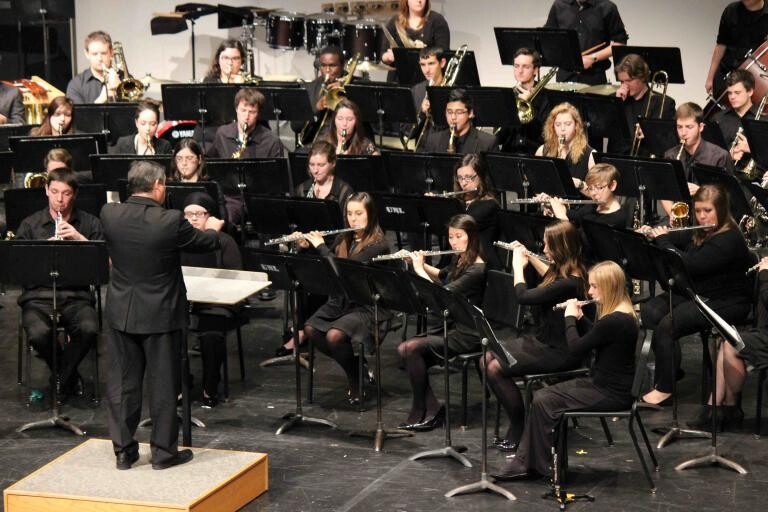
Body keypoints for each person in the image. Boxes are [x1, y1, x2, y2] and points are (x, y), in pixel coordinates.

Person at [100, 160, 224, 470]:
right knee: (163, 384)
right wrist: (214, 228)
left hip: (121, 311)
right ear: (158, 186)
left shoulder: (109, 213)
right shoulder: (170, 221)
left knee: (122, 384)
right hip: (160, 314)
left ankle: (124, 452)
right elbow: (203, 243)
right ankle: (163, 454)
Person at [491, 261, 638, 481]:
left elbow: (577, 347)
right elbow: (600, 339)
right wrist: (581, 319)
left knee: (544, 400)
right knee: (543, 397)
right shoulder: (622, 312)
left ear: (608, 287)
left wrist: (568, 318)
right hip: (606, 384)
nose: (589, 292)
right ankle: (532, 461)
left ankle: (531, 464)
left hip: (609, 392)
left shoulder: (615, 320)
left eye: (595, 287)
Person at [640, 184, 753, 405]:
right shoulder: (704, 231)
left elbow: (691, 265)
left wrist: (663, 241)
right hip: (701, 293)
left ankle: (665, 388)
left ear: (720, 210)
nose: (701, 216)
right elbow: (682, 240)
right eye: (698, 211)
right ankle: (671, 367)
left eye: (707, 211)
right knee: (651, 311)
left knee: (668, 325)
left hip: (727, 301)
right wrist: (655, 234)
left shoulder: (728, 239)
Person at [481, 221, 587, 452]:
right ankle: (525, 420)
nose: (544, 249)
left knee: (494, 368)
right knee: (486, 358)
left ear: (561, 248)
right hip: (543, 340)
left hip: (561, 351)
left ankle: (520, 426)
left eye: (548, 246)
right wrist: (529, 255)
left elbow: (524, 296)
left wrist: (519, 265)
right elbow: (550, 276)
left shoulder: (572, 282)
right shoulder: (565, 271)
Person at [16, 168, 103, 402]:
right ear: (46, 190)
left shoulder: (89, 223)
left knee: (89, 329)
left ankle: (60, 378)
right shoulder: (30, 225)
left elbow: (103, 266)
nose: (59, 199)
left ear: (74, 194)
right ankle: (68, 376)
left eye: (65, 193)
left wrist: (78, 238)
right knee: (38, 333)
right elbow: (18, 270)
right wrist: (44, 251)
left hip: (76, 296)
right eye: (54, 192)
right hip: (38, 297)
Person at [397, 214, 486, 430]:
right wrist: (420, 263)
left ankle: (423, 409)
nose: (453, 242)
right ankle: (430, 407)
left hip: (469, 332)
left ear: (471, 237)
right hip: (451, 325)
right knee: (407, 351)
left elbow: (441, 295)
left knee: (409, 349)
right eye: (451, 237)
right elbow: (443, 276)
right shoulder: (460, 258)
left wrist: (418, 270)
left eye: (458, 237)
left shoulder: (477, 268)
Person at [301, 192, 390, 404]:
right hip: (341, 302)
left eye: (359, 213)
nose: (353, 219)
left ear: (371, 215)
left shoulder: (378, 245)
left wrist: (320, 246)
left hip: (367, 305)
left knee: (334, 336)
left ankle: (353, 378)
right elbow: (326, 266)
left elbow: (346, 271)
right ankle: (356, 367)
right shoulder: (344, 238)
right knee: (311, 329)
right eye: (349, 213)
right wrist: (307, 248)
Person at [687, 255, 768, 431]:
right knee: (727, 340)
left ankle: (728, 409)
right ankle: (718, 407)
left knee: (732, 345)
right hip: (764, 333)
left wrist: (764, 274)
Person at [180, 192, 242, 408]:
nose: (193, 218)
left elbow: (235, 279)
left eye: (199, 213)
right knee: (167, 332)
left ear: (210, 216)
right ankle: (181, 385)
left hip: (217, 303)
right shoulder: (181, 241)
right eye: (188, 214)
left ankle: (210, 387)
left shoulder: (225, 241)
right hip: (185, 302)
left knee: (212, 334)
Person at [660, 103, 734, 221]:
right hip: (678, 216)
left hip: (709, 219)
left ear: (701, 127)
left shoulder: (720, 156)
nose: (683, 133)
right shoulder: (671, 155)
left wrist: (700, 190)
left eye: (689, 127)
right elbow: (664, 191)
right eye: (679, 127)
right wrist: (673, 214)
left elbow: (729, 196)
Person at [544, 0, 628, 85]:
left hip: (594, 77)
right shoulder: (559, 5)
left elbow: (620, 43)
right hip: (565, 76)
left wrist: (593, 58)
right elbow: (548, 38)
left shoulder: (607, 7)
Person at [613, 53, 677, 155]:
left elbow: (671, 142)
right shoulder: (617, 99)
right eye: (621, 81)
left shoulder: (665, 103)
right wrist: (617, 104)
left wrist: (650, 133)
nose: (624, 85)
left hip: (648, 161)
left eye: (629, 80)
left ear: (642, 77)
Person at [447, 153, 501, 269]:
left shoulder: (489, 205)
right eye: (460, 178)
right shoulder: (459, 202)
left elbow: (463, 223)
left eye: (468, 177)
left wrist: (443, 207)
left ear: (480, 176)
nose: (464, 183)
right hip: (461, 260)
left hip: (481, 264)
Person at [705, 0, 768, 95]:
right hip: (725, 73)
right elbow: (721, 45)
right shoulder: (731, 10)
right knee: (720, 109)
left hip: (754, 79)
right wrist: (710, 78)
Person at [379, 0, 450, 81]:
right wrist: (388, 57)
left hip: (426, 80)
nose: (419, 1)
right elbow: (383, 54)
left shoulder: (437, 21)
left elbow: (444, 53)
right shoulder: (394, 21)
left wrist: (425, 51)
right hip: (398, 79)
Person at [545, 163, 628, 229]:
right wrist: (554, 207)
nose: (593, 193)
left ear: (612, 185)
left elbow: (581, 243)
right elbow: (576, 217)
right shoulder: (594, 206)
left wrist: (562, 217)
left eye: (599, 187)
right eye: (590, 188)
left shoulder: (617, 219)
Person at [207, 88, 284, 159]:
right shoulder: (222, 134)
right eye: (243, 110)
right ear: (236, 109)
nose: (246, 116)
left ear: (258, 114)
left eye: (252, 112)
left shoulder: (272, 141)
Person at [536, 102, 596, 191]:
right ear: (552, 127)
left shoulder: (590, 155)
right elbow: (536, 184)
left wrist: (580, 185)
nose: (562, 129)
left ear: (576, 126)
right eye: (558, 125)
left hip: (578, 204)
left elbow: (597, 195)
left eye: (568, 124)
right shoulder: (542, 151)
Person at [497, 47, 546, 154]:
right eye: (516, 66)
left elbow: (545, 134)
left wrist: (530, 104)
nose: (520, 71)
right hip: (509, 153)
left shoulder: (546, 97)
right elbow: (499, 137)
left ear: (535, 70)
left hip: (535, 154)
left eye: (525, 66)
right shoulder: (507, 96)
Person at [419, 88, 498, 154]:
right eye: (449, 112)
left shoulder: (487, 143)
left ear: (470, 113)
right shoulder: (434, 140)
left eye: (459, 112)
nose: (453, 117)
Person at [294, 46, 346, 144]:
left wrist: (346, 91)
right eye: (323, 65)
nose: (327, 70)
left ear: (342, 65)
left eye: (332, 65)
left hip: (347, 142)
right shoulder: (310, 88)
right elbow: (296, 126)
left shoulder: (353, 85)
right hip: (316, 142)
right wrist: (316, 109)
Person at [168, 138, 227, 223]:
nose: (184, 163)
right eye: (179, 158)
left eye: (189, 158)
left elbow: (222, 218)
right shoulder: (170, 184)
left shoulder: (211, 185)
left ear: (199, 159)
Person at [716, 70, 759, 164]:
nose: (732, 97)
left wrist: (753, 149)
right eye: (729, 93)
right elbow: (709, 152)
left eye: (737, 92)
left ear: (750, 91)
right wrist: (727, 157)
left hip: (754, 178)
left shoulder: (763, 120)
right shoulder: (719, 118)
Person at [66, 31, 120, 104]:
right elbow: (79, 115)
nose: (100, 58)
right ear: (87, 54)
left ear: (111, 52)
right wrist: (102, 98)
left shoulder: (124, 79)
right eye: (95, 54)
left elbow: (136, 113)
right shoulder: (76, 85)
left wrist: (120, 89)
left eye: (104, 53)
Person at [407, 46, 446, 145]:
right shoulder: (416, 91)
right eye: (423, 65)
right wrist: (422, 113)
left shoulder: (454, 90)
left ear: (442, 63)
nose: (426, 70)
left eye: (431, 63)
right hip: (423, 148)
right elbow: (408, 132)